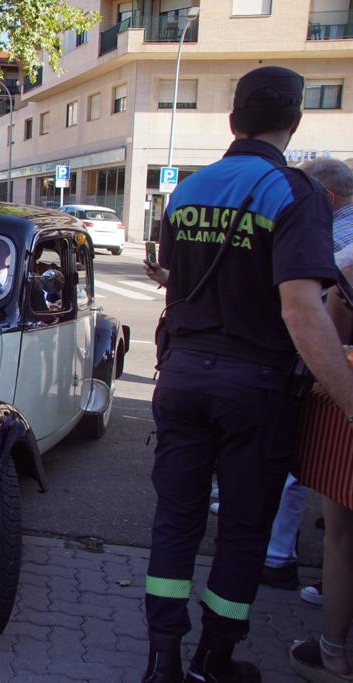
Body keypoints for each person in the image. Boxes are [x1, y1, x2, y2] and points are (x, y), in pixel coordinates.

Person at [140, 66, 353, 683]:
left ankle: (162, 661)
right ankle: (215, 658)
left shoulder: (189, 189)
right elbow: (302, 311)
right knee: (241, 526)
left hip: (181, 377)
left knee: (175, 518)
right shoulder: (295, 193)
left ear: (234, 119)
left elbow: (174, 287)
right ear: (294, 120)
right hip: (253, 388)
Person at [260, 158, 353, 600]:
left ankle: (279, 558)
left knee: (301, 468)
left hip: (328, 367)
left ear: (326, 198)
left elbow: (316, 312)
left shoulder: (335, 238)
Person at [288, 159, 353, 683]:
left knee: (342, 533)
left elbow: (326, 329)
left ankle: (332, 654)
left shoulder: (344, 253)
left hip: (347, 396)